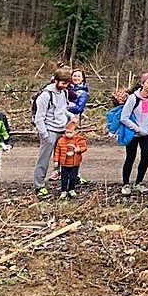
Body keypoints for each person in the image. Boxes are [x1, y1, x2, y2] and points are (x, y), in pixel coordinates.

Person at [120, 73, 148, 196]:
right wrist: (137, 129)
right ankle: (126, 184)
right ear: (142, 83)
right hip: (134, 133)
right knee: (130, 158)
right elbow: (124, 118)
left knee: (145, 157)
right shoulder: (134, 98)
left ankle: (139, 183)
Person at [33, 69, 73, 197]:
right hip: (49, 130)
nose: (64, 86)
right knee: (43, 159)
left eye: (67, 83)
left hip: (62, 129)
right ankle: (39, 185)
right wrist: (45, 135)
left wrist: (71, 116)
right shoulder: (45, 96)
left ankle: (67, 181)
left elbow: (62, 110)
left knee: (66, 156)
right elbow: (39, 118)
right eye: (62, 83)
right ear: (55, 80)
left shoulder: (64, 92)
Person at [52, 120, 88, 200]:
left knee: (73, 177)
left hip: (75, 163)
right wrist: (56, 161)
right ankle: (63, 190)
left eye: (70, 132)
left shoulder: (78, 140)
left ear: (75, 132)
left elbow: (84, 147)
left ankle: (71, 189)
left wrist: (79, 149)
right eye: (67, 132)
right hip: (64, 163)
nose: (68, 134)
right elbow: (57, 151)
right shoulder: (61, 140)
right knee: (64, 178)